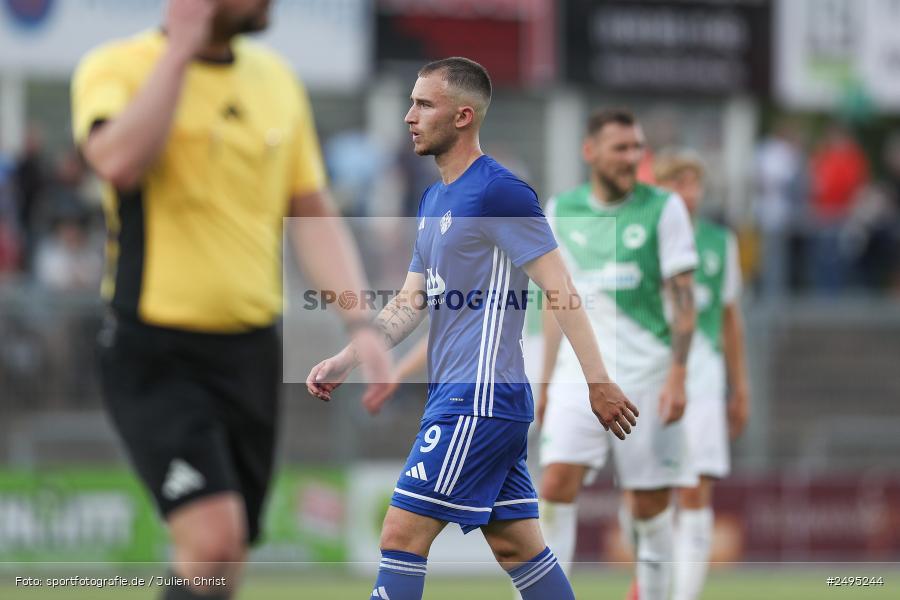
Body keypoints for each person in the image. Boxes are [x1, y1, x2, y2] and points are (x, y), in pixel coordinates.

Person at [71, 1, 390, 598]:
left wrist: (361, 322)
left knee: (224, 561)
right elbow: (116, 162)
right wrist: (180, 50)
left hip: (250, 351)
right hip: (154, 346)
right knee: (214, 541)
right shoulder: (117, 66)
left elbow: (312, 211)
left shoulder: (276, 80)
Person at [307, 57, 638, 600]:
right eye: (411, 102)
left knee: (400, 535)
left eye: (423, 104)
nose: (409, 116)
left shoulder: (500, 192)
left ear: (463, 116)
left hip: (479, 400)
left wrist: (597, 380)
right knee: (519, 551)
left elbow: (561, 288)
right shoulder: (434, 198)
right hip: (464, 399)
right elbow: (411, 303)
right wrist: (349, 358)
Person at [537, 109, 698, 600]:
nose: (633, 158)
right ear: (591, 152)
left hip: (646, 374)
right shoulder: (560, 209)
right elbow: (554, 300)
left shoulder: (663, 208)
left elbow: (684, 300)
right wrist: (543, 382)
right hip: (576, 375)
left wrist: (677, 376)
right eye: (621, 148)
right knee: (555, 486)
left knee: (650, 507)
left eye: (637, 148)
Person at [654, 151, 750, 600]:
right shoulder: (642, 236)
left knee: (696, 487)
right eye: (678, 183)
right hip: (649, 371)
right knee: (646, 491)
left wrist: (741, 386)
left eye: (694, 184)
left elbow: (730, 318)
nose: (688, 193)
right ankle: (649, 584)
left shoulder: (719, 242)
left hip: (704, 374)